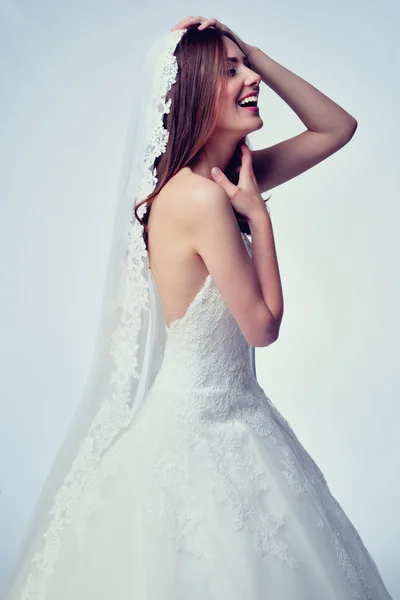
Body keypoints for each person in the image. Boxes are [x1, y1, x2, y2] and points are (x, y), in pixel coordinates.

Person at [2, 15, 393, 600]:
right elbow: (262, 328)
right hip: (200, 426)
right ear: (189, 92)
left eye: (247, 68)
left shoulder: (228, 179)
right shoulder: (203, 198)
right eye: (230, 71)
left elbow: (337, 127)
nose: (250, 79)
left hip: (237, 414)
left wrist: (254, 53)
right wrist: (258, 219)